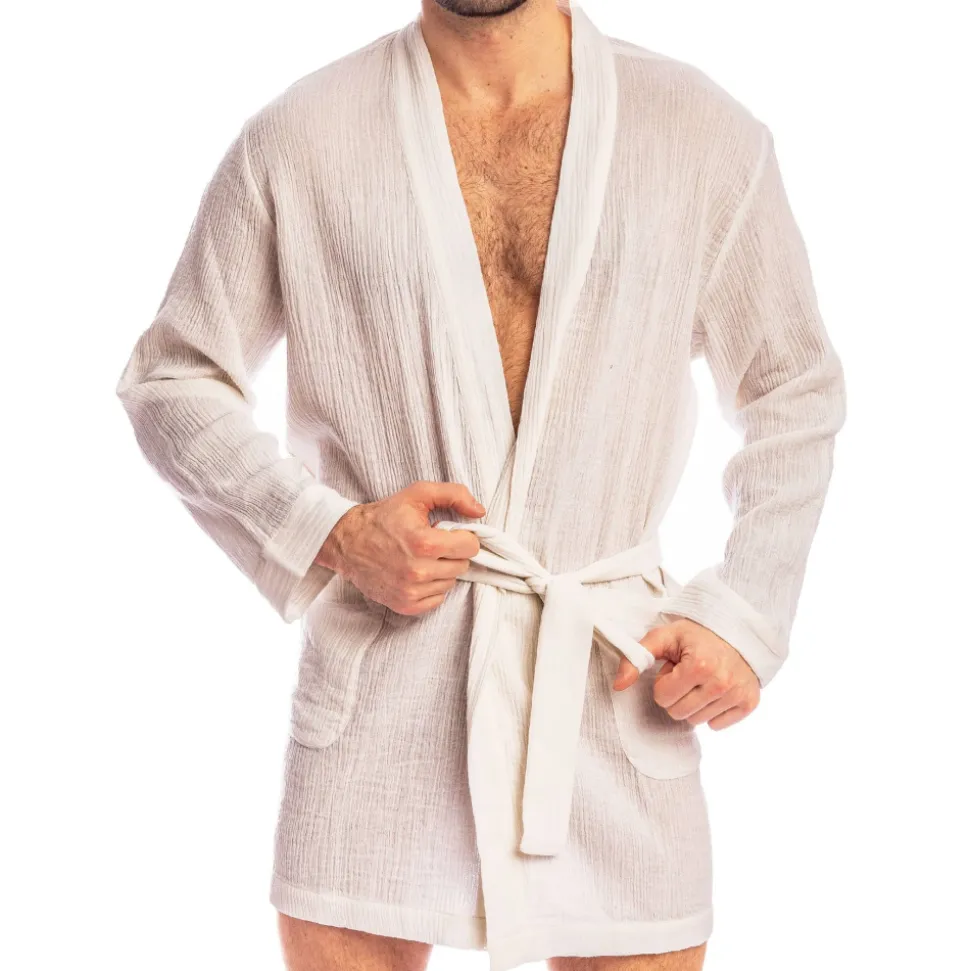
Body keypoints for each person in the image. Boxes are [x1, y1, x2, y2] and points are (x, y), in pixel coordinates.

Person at [114, 0, 847, 968]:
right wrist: (333, 530)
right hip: (383, 696)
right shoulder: (301, 139)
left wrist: (746, 609)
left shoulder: (699, 133)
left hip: (610, 678)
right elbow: (171, 378)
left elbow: (793, 386)